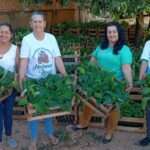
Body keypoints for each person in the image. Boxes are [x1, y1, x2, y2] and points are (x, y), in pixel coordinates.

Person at [72, 22, 133, 144]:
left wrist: (129, 83)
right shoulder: (101, 46)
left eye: (114, 32)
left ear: (119, 33)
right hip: (98, 81)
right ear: (106, 34)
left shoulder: (124, 49)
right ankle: (84, 123)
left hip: (114, 84)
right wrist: (86, 75)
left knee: (113, 108)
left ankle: (109, 132)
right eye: (109, 32)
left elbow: (126, 68)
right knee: (88, 101)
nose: (111, 34)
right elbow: (92, 61)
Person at [19, 11, 66, 150]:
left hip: (49, 81)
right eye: (35, 21)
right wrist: (22, 81)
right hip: (33, 81)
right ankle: (33, 139)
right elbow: (24, 62)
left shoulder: (51, 38)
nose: (37, 24)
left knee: (48, 111)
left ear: (44, 23)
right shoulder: (27, 40)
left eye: (40, 21)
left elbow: (57, 58)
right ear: (30, 24)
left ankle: (50, 134)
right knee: (33, 112)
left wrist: (64, 75)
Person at [0, 23, 19, 150]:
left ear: (11, 35)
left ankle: (9, 135)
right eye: (1, 32)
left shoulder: (15, 49)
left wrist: (15, 82)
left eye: (6, 32)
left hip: (10, 89)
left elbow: (17, 69)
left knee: (8, 113)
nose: (3, 34)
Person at [139, 40, 150, 146]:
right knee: (149, 109)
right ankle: (149, 136)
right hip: (149, 79)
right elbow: (145, 61)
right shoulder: (149, 43)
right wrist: (141, 80)